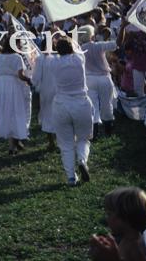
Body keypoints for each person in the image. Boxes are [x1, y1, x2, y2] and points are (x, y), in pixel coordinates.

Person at [50, 37, 94, 186]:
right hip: (81, 102)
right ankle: (82, 160)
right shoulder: (79, 58)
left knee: (66, 144)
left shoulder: (53, 62)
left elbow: (48, 54)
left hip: (61, 104)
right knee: (83, 139)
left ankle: (70, 176)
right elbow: (77, 47)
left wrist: (52, 35)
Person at [0, 38, 32, 155]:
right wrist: (28, 80)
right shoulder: (16, 57)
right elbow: (20, 75)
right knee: (15, 112)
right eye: (18, 45)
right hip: (12, 85)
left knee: (6, 112)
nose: (19, 47)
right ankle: (15, 142)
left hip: (0, 85)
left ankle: (12, 145)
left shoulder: (0, 56)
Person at [89, 187, 146, 261]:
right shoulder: (129, 239)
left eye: (109, 214)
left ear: (124, 218)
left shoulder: (134, 248)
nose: (106, 218)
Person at [80, 25, 118, 138]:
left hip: (89, 79)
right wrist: (124, 27)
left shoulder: (80, 48)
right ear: (92, 35)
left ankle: (94, 132)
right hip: (104, 78)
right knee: (107, 104)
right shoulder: (99, 45)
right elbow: (117, 44)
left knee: (93, 106)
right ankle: (108, 129)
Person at [31, 48, 57, 151]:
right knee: (59, 115)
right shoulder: (59, 58)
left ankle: (51, 142)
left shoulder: (40, 59)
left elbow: (36, 76)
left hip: (46, 91)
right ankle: (61, 141)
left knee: (46, 116)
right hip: (59, 89)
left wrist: (32, 83)